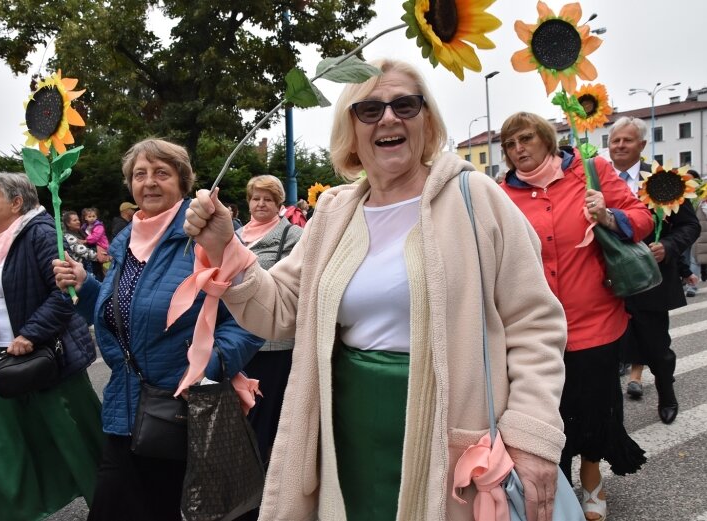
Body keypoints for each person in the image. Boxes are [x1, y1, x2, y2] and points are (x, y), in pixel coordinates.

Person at [185, 59, 569, 521]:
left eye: (405, 105)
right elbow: (282, 309)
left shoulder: (476, 197)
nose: (389, 118)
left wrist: (531, 437)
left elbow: (535, 323)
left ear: (425, 119)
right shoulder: (334, 212)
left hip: (450, 435)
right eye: (370, 110)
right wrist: (225, 247)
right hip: (349, 436)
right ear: (353, 127)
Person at [52, 138, 263, 521]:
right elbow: (123, 313)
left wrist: (207, 366)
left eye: (161, 173)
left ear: (183, 182)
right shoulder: (125, 244)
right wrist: (86, 288)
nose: (149, 182)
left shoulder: (210, 237)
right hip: (125, 408)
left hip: (185, 413)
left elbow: (251, 320)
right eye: (139, 174)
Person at [499, 111, 651, 521]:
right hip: (536, 330)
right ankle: (559, 490)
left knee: (596, 408)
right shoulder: (501, 194)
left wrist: (608, 215)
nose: (519, 150)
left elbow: (641, 219)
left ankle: (592, 480)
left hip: (596, 320)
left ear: (547, 139)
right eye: (510, 145)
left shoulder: (591, 170)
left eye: (526, 139)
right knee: (551, 414)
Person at [0, 171, 103, 521]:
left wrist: (31, 333)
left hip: (46, 361)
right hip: (4, 362)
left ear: (16, 203)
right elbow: (4, 297)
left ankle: (116, 507)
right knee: (2, 447)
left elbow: (66, 293)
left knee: (79, 442)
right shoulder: (5, 241)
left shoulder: (41, 234)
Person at [608, 117, 700, 424]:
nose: (619, 146)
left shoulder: (663, 179)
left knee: (657, 346)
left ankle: (666, 393)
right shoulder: (596, 179)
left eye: (627, 140)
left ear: (643, 146)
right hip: (607, 282)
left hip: (651, 280)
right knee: (607, 350)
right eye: (615, 140)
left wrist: (669, 247)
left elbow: (690, 225)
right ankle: (606, 411)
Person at [233, 175, 303, 521]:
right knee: (239, 422)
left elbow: (291, 289)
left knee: (265, 423)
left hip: (274, 347)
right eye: (255, 198)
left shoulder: (293, 237)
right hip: (234, 345)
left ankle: (262, 499)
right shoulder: (233, 237)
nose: (260, 204)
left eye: (267, 199)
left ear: (279, 204)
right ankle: (245, 488)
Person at [63, 210, 98, 275]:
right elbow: (85, 252)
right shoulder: (69, 237)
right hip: (83, 271)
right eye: (74, 220)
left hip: (93, 267)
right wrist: (101, 256)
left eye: (78, 220)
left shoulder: (81, 232)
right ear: (68, 223)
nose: (78, 222)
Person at [82, 207, 110, 280]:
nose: (92, 218)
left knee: (102, 260)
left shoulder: (99, 226)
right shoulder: (85, 226)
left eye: (94, 216)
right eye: (89, 216)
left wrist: (85, 241)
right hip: (95, 245)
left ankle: (108, 274)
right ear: (85, 218)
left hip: (101, 244)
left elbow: (95, 236)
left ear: (96, 217)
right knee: (99, 262)